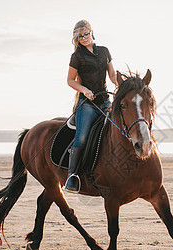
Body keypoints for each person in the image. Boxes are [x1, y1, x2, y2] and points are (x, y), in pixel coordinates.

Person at [64, 20, 117, 193]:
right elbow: (70, 80)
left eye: (86, 34)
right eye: (80, 36)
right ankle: (72, 176)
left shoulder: (104, 51)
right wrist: (84, 90)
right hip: (86, 104)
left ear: (92, 32)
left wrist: (119, 85)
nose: (84, 38)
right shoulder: (77, 56)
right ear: (77, 39)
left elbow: (111, 74)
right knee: (82, 138)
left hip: (104, 101)